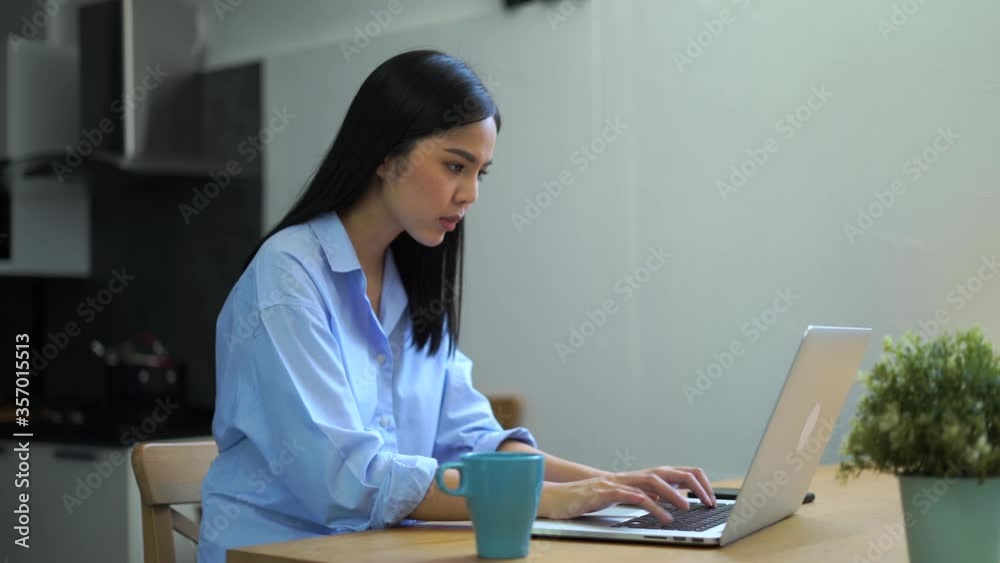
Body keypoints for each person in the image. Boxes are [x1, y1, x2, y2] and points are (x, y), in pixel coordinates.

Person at [196, 49, 716, 563]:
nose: (470, 194)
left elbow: (473, 442)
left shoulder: (410, 280)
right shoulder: (287, 275)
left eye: (479, 173)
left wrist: (611, 485)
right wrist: (548, 499)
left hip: (378, 551)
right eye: (454, 166)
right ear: (386, 155)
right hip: (275, 554)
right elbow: (348, 479)